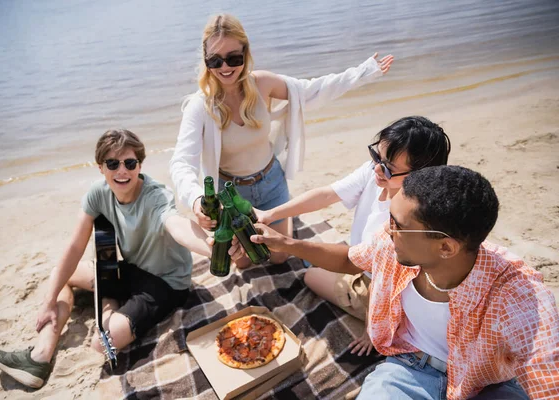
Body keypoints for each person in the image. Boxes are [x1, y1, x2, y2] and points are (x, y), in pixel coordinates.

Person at [249, 165, 559, 399]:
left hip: (488, 384)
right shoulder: (390, 244)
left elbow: (547, 377)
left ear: (446, 247)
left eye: (398, 225)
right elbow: (350, 259)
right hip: (409, 367)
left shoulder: (518, 296)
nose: (386, 230)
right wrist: (286, 244)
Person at [0, 129, 212, 389]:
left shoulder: (156, 196)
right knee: (59, 276)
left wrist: (211, 246)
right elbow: (74, 247)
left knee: (102, 343)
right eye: (113, 164)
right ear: (100, 168)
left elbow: (178, 225)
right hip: (131, 270)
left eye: (130, 163)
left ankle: (109, 299)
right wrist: (48, 301)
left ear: (140, 164)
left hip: (165, 283)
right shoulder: (98, 193)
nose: (122, 171)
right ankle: (40, 356)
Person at [169, 13, 394, 266]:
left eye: (233, 58)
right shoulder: (200, 106)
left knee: (279, 256)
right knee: (242, 261)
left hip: (271, 183)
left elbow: (311, 90)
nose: (225, 67)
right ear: (206, 59)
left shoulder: (262, 84)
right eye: (215, 60)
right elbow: (181, 162)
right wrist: (197, 199)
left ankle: (278, 218)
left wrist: (364, 72)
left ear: (245, 53)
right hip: (229, 195)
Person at [255, 116, 451, 357]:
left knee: (311, 276)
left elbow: (383, 285)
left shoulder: (408, 221)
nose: (378, 168)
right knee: (318, 265)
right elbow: (328, 194)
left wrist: (373, 329)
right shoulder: (375, 172)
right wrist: (269, 214)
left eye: (389, 168)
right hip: (361, 265)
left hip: (383, 290)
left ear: (420, 175)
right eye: (377, 156)